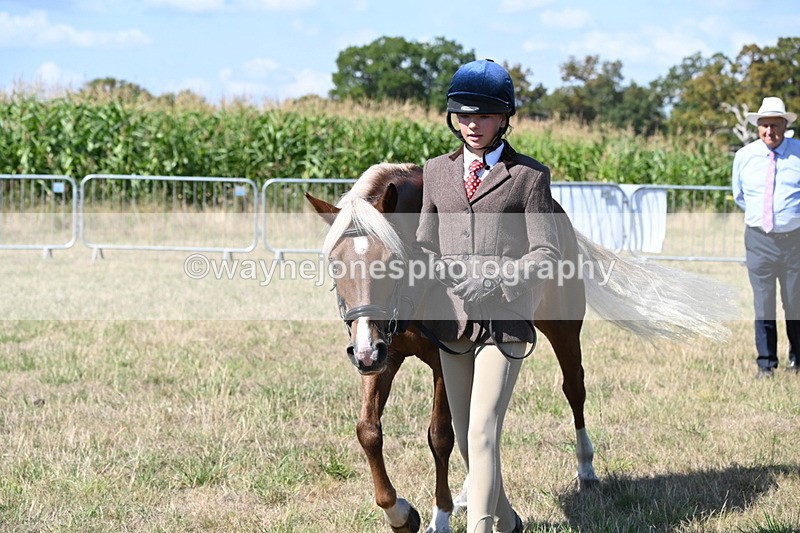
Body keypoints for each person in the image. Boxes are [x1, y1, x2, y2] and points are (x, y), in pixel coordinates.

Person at [415, 59, 560, 533]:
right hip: (452, 320)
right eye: (463, 115)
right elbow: (425, 242)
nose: (471, 124)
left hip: (505, 319)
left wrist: (496, 280)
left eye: (483, 115)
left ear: (504, 119)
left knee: (482, 431)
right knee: (463, 438)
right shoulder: (436, 171)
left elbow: (546, 252)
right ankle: (508, 522)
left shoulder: (529, 177)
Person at [732, 96, 800, 378]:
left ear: (785, 125)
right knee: (763, 303)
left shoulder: (798, 153)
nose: (769, 131)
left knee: (795, 302)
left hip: (795, 241)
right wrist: (764, 220)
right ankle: (766, 364)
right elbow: (740, 196)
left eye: (775, 125)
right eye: (764, 126)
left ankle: (797, 357)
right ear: (757, 127)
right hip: (759, 241)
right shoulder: (744, 157)